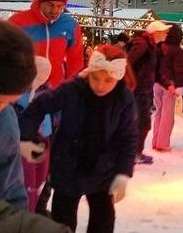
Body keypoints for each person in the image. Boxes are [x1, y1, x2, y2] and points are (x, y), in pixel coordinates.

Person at [19, 45, 138, 233]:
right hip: (68, 167)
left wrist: (124, 172)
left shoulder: (124, 98)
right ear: (89, 72)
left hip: (103, 169)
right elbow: (39, 106)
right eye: (95, 78)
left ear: (118, 77)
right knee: (63, 222)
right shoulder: (72, 89)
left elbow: (128, 137)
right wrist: (25, 137)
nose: (100, 85)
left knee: (103, 220)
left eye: (108, 80)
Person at [8, 0, 84, 213]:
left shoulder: (69, 25)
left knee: (54, 151)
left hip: (56, 97)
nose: (55, 11)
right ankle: (20, 199)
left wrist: (73, 90)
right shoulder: (18, 22)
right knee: (24, 146)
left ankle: (42, 200)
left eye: (60, 6)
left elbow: (75, 62)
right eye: (50, 5)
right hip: (23, 97)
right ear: (41, 1)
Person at [0, 21, 37, 210]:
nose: (2, 109)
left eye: (9, 102)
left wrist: (19, 223)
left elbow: (12, 188)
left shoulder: (5, 118)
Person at [126, 20, 171, 165]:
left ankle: (135, 153)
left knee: (142, 123)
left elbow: (155, 71)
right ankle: (133, 154)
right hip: (137, 91)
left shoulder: (152, 47)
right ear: (155, 32)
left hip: (143, 90)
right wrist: (130, 83)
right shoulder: (143, 44)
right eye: (163, 31)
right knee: (140, 123)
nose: (166, 34)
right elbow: (127, 63)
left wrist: (167, 84)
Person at [153, 24, 183, 152]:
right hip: (169, 85)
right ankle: (163, 143)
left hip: (157, 83)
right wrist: (178, 86)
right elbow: (179, 70)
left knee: (158, 113)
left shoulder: (160, 47)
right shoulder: (178, 51)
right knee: (167, 116)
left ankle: (156, 141)